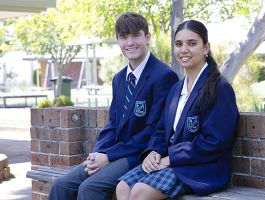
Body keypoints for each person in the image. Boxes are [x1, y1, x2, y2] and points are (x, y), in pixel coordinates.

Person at [48, 12, 178, 200]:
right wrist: (98, 153)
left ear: (147, 37)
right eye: (123, 37)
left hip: (139, 155)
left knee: (90, 188)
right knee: (61, 186)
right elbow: (112, 124)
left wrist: (108, 156)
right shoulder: (119, 79)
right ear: (118, 41)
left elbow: (153, 131)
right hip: (115, 153)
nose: (130, 42)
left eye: (135, 35)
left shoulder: (164, 76)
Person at [116, 19, 239, 200]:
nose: (184, 50)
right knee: (123, 187)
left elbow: (216, 141)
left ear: (206, 48)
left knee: (139, 192)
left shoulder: (219, 88)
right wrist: (154, 152)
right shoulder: (176, 89)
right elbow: (161, 129)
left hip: (201, 168)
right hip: (172, 162)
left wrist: (170, 158)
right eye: (179, 44)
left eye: (192, 43)